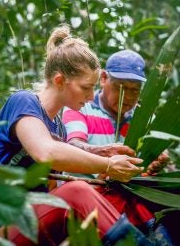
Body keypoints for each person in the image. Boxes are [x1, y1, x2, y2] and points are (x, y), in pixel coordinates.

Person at [0, 26, 153, 246]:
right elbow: (46, 151)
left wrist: (100, 155)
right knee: (77, 192)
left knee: (113, 194)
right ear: (60, 81)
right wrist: (107, 164)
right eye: (86, 88)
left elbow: (52, 191)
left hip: (29, 219)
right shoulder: (24, 101)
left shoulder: (59, 128)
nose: (92, 96)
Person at [62, 49, 171, 239]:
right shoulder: (80, 106)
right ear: (103, 78)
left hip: (132, 203)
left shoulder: (144, 118)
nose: (127, 96)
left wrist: (155, 164)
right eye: (121, 87)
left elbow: (146, 171)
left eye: (134, 89)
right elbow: (73, 146)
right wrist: (103, 155)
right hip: (88, 200)